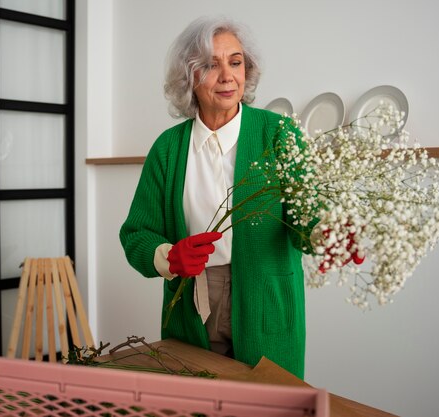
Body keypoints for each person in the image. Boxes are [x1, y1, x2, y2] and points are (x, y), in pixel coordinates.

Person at [119, 16, 307, 379]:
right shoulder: (169, 148)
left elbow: (307, 214)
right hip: (195, 300)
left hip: (266, 299)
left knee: (271, 401)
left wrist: (326, 235)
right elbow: (137, 234)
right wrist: (168, 256)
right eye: (210, 65)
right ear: (189, 76)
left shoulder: (279, 135)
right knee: (197, 398)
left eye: (235, 62)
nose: (227, 76)